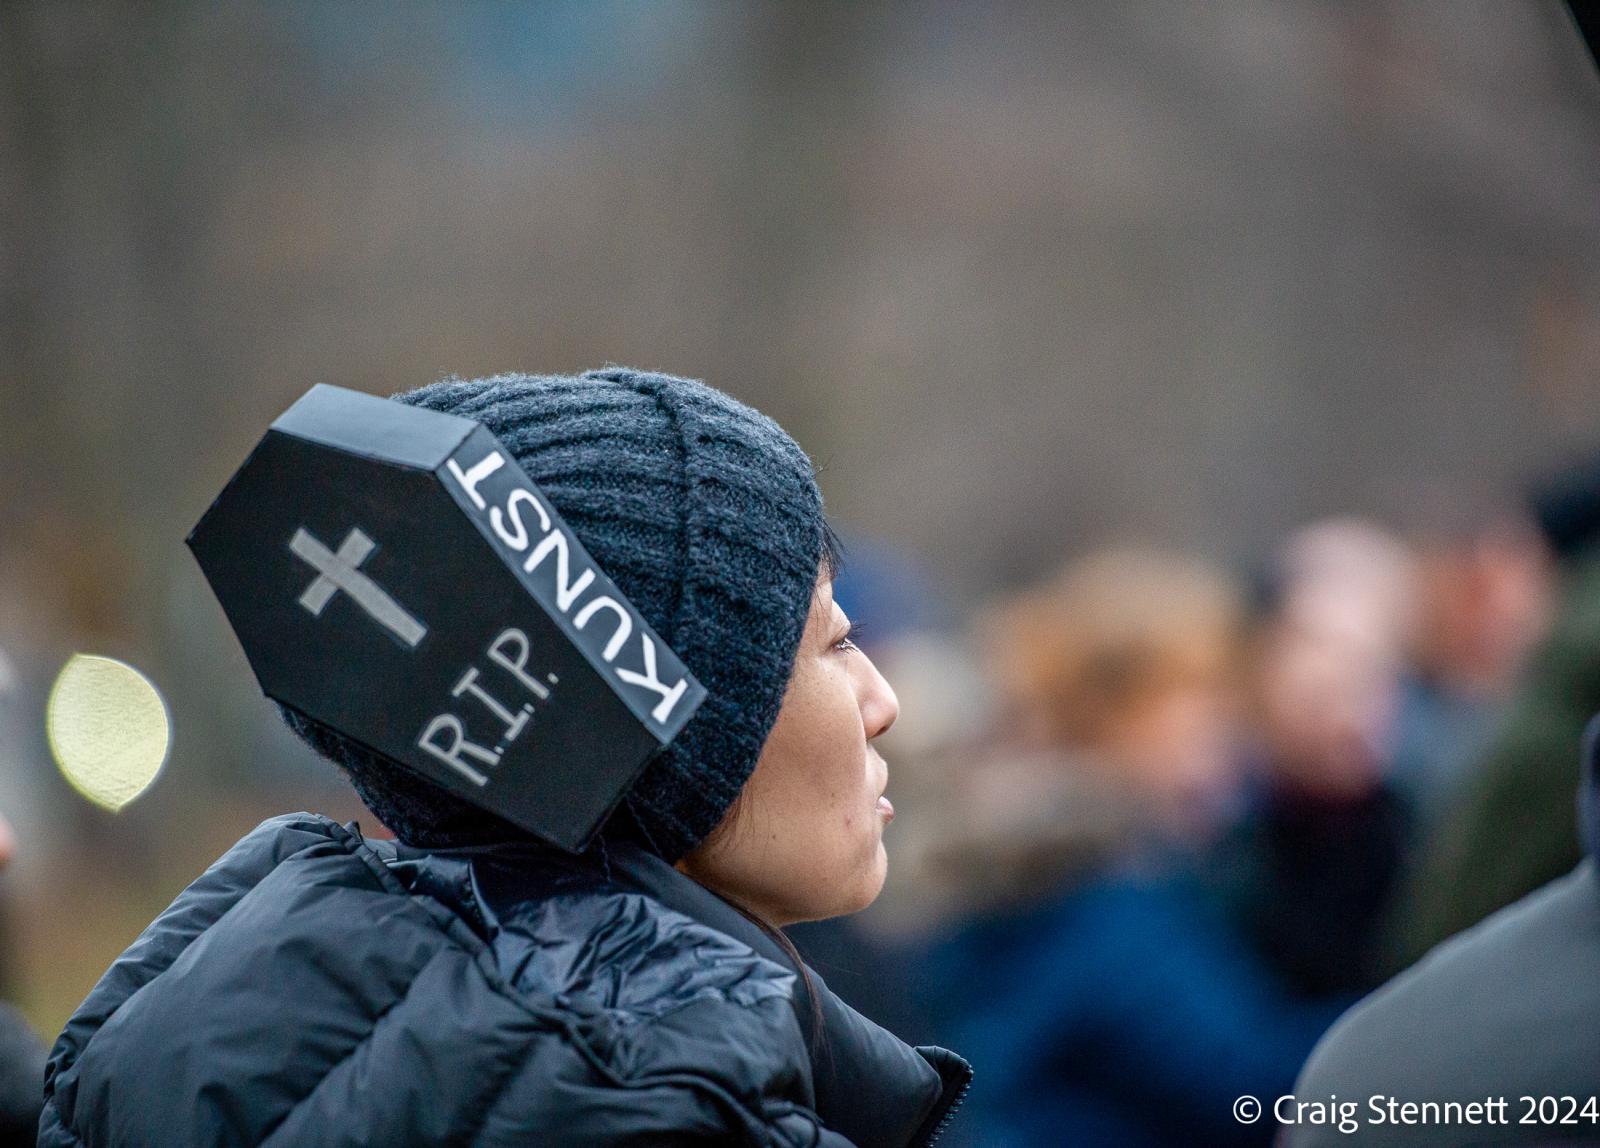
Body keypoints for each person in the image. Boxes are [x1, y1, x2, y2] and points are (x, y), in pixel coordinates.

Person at [39, 369, 971, 1147]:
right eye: (836, 643)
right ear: (674, 742)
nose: (882, 705)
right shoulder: (664, 1102)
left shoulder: (180, 1028)